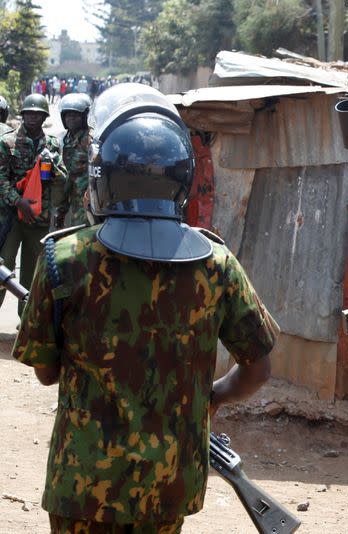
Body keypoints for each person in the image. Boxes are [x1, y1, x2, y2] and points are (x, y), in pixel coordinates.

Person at [13, 83, 280, 533]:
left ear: (104, 178)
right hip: (169, 485)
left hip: (82, 484)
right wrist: (210, 399)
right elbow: (258, 368)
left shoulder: (64, 260)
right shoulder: (216, 264)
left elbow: (46, 370)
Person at [0, 93, 68, 316]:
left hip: (38, 219)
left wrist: (52, 164)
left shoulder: (52, 144)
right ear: (22, 115)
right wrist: (19, 202)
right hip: (11, 217)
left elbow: (62, 180)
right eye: (28, 113)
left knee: (33, 273)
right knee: (4, 266)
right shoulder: (7, 142)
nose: (32, 118)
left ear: (44, 117)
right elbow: (1, 180)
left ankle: (26, 322)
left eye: (37, 114)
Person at [59, 92, 92, 226]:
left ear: (84, 117)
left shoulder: (90, 139)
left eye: (76, 115)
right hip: (70, 196)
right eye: (68, 115)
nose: (71, 118)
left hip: (86, 198)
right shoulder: (67, 138)